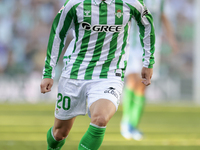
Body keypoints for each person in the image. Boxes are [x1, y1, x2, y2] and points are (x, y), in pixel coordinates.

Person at [40, 0, 155, 149]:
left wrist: (148, 62)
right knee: (59, 133)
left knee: (100, 119)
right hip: (75, 73)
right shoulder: (74, 4)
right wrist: (48, 72)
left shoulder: (130, 2)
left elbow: (147, 24)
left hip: (110, 75)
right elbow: (57, 34)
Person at [120, 0, 179, 141]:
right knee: (132, 81)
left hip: (151, 48)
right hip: (130, 45)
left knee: (142, 85)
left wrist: (172, 40)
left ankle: (131, 124)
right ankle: (126, 121)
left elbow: (163, 17)